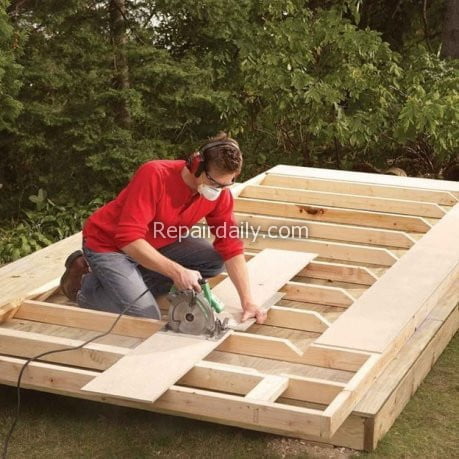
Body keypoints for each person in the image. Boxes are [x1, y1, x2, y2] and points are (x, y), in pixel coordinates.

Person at [60, 132, 267, 324]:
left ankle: (130, 279)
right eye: (215, 183)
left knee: (214, 262)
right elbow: (128, 239)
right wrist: (177, 272)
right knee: (146, 315)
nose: (220, 191)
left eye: (227, 184)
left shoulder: (219, 193)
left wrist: (248, 301)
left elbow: (230, 244)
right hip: (110, 245)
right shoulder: (155, 175)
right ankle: (84, 286)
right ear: (197, 165)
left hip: (157, 241)